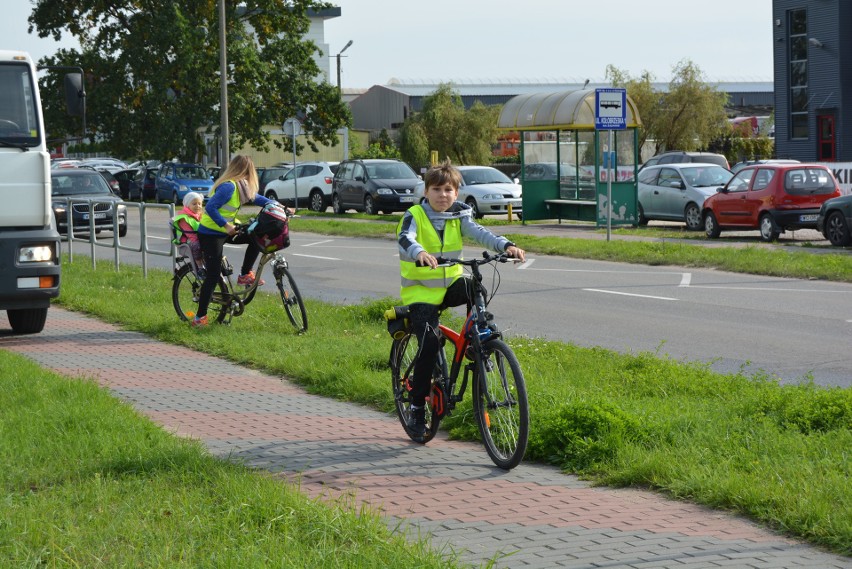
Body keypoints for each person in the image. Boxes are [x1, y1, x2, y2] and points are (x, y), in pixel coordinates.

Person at [396, 159, 525, 439]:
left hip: (449, 284)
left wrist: (506, 245)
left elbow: (480, 233)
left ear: (456, 193)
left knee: (474, 286)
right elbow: (406, 238)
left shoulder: (459, 216)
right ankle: (418, 407)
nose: (443, 195)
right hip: (421, 292)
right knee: (429, 344)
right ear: (426, 191)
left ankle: (477, 339)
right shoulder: (415, 215)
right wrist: (419, 253)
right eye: (437, 189)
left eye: (449, 190)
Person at [191, 155, 275, 327]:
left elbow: (256, 197)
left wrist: (277, 205)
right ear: (246, 171)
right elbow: (210, 207)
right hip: (210, 233)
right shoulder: (229, 187)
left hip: (226, 230)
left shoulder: (241, 187)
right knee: (213, 275)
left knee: (255, 236)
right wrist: (226, 225)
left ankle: (244, 274)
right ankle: (199, 318)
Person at [172, 192, 204, 268]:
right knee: (197, 245)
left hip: (197, 238)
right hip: (187, 242)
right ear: (187, 205)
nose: (197, 206)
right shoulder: (184, 218)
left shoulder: (199, 215)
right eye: (194, 204)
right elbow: (191, 235)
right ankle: (199, 266)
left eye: (199, 204)